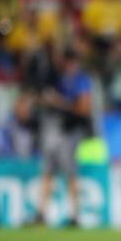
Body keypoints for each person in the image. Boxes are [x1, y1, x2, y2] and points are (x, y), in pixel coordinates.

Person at [38, 47, 92, 226]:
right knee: (48, 171)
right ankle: (42, 213)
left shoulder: (80, 79)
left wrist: (59, 102)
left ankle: (75, 214)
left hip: (70, 131)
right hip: (56, 128)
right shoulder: (60, 78)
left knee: (70, 173)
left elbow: (83, 108)